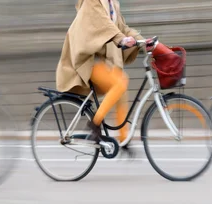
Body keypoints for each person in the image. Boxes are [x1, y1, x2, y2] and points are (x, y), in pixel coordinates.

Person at [56, 0, 155, 151]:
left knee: (122, 82)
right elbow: (101, 24)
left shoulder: (112, 3)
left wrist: (141, 40)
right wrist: (121, 39)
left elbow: (122, 28)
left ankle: (123, 140)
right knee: (119, 83)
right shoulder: (91, 2)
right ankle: (94, 124)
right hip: (88, 60)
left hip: (101, 62)